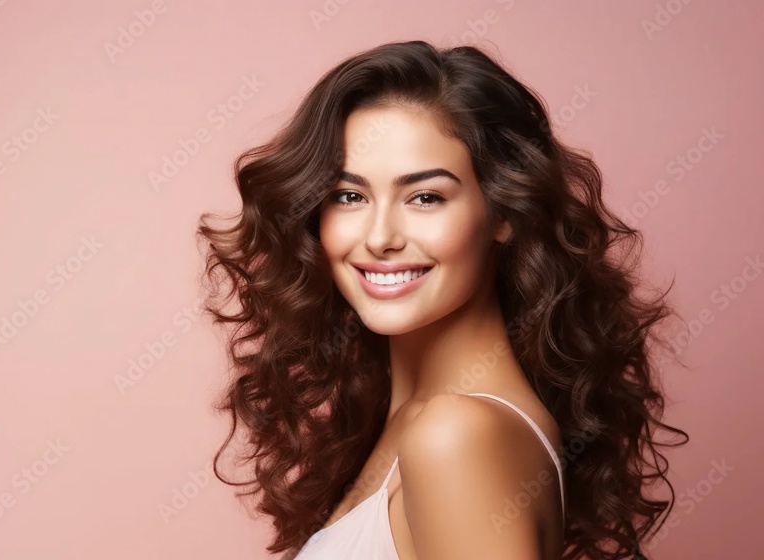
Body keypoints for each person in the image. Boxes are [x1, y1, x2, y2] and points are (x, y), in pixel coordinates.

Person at [195, 40, 688, 560]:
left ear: (505, 214)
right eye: (350, 196)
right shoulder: (414, 420)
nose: (380, 236)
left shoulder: (456, 435)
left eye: (425, 197)